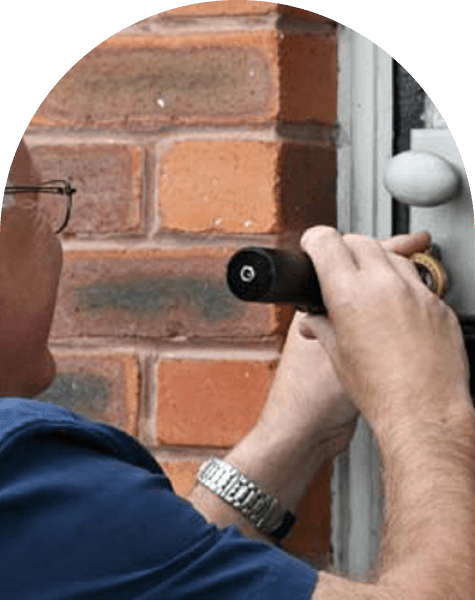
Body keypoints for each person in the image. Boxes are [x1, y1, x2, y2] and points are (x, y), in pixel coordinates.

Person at [0, 138, 473, 600]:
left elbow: (145, 576)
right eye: (40, 208)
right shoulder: (23, 468)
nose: (57, 243)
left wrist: (291, 434)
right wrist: (424, 406)